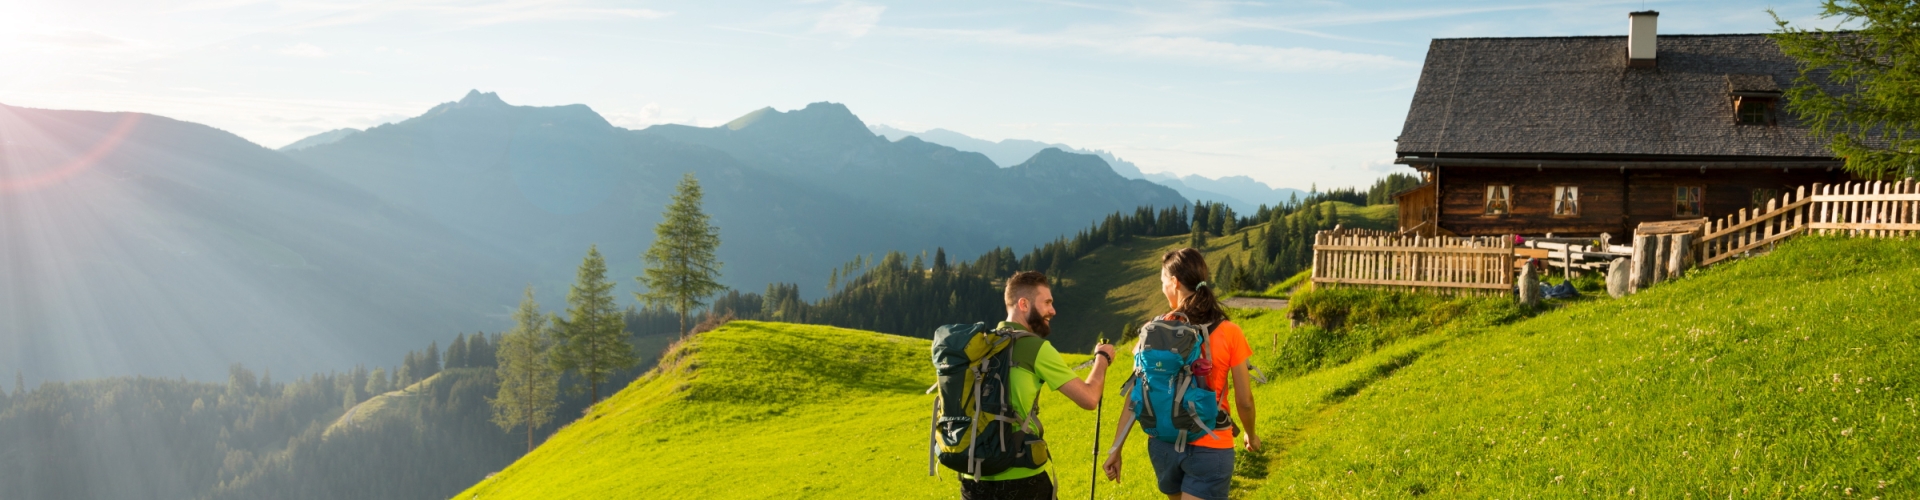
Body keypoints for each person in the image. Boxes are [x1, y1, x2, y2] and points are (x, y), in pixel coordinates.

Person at [1101, 248, 1260, 500]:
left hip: (1164, 444)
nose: (1163, 289)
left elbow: (1136, 395)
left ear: (1174, 282)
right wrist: (1251, 434)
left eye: (1163, 282)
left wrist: (1115, 448)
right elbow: (1245, 400)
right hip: (1212, 443)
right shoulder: (1230, 331)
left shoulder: (1150, 333)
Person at [961, 271, 1118, 500]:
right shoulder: (1036, 348)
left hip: (973, 479)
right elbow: (1089, 398)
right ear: (1023, 304)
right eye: (1047, 302)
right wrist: (1102, 359)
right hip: (1021, 476)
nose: (1052, 311)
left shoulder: (979, 345)